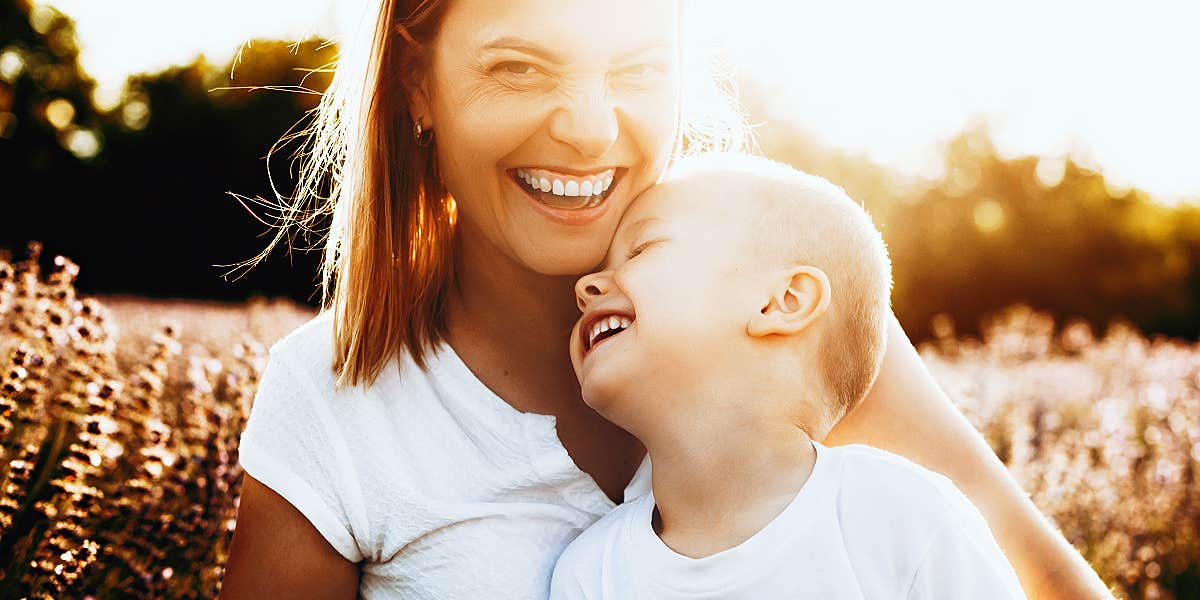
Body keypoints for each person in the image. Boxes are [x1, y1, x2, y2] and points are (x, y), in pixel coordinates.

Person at [218, 0, 1113, 598]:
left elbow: (1037, 578)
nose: (590, 126)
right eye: (520, 68)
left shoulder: (793, 318)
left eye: (638, 69)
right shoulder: (335, 398)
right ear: (417, 82)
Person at [549, 153, 1025, 598]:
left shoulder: (903, 516)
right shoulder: (593, 575)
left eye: (642, 248)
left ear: (782, 302)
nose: (585, 287)